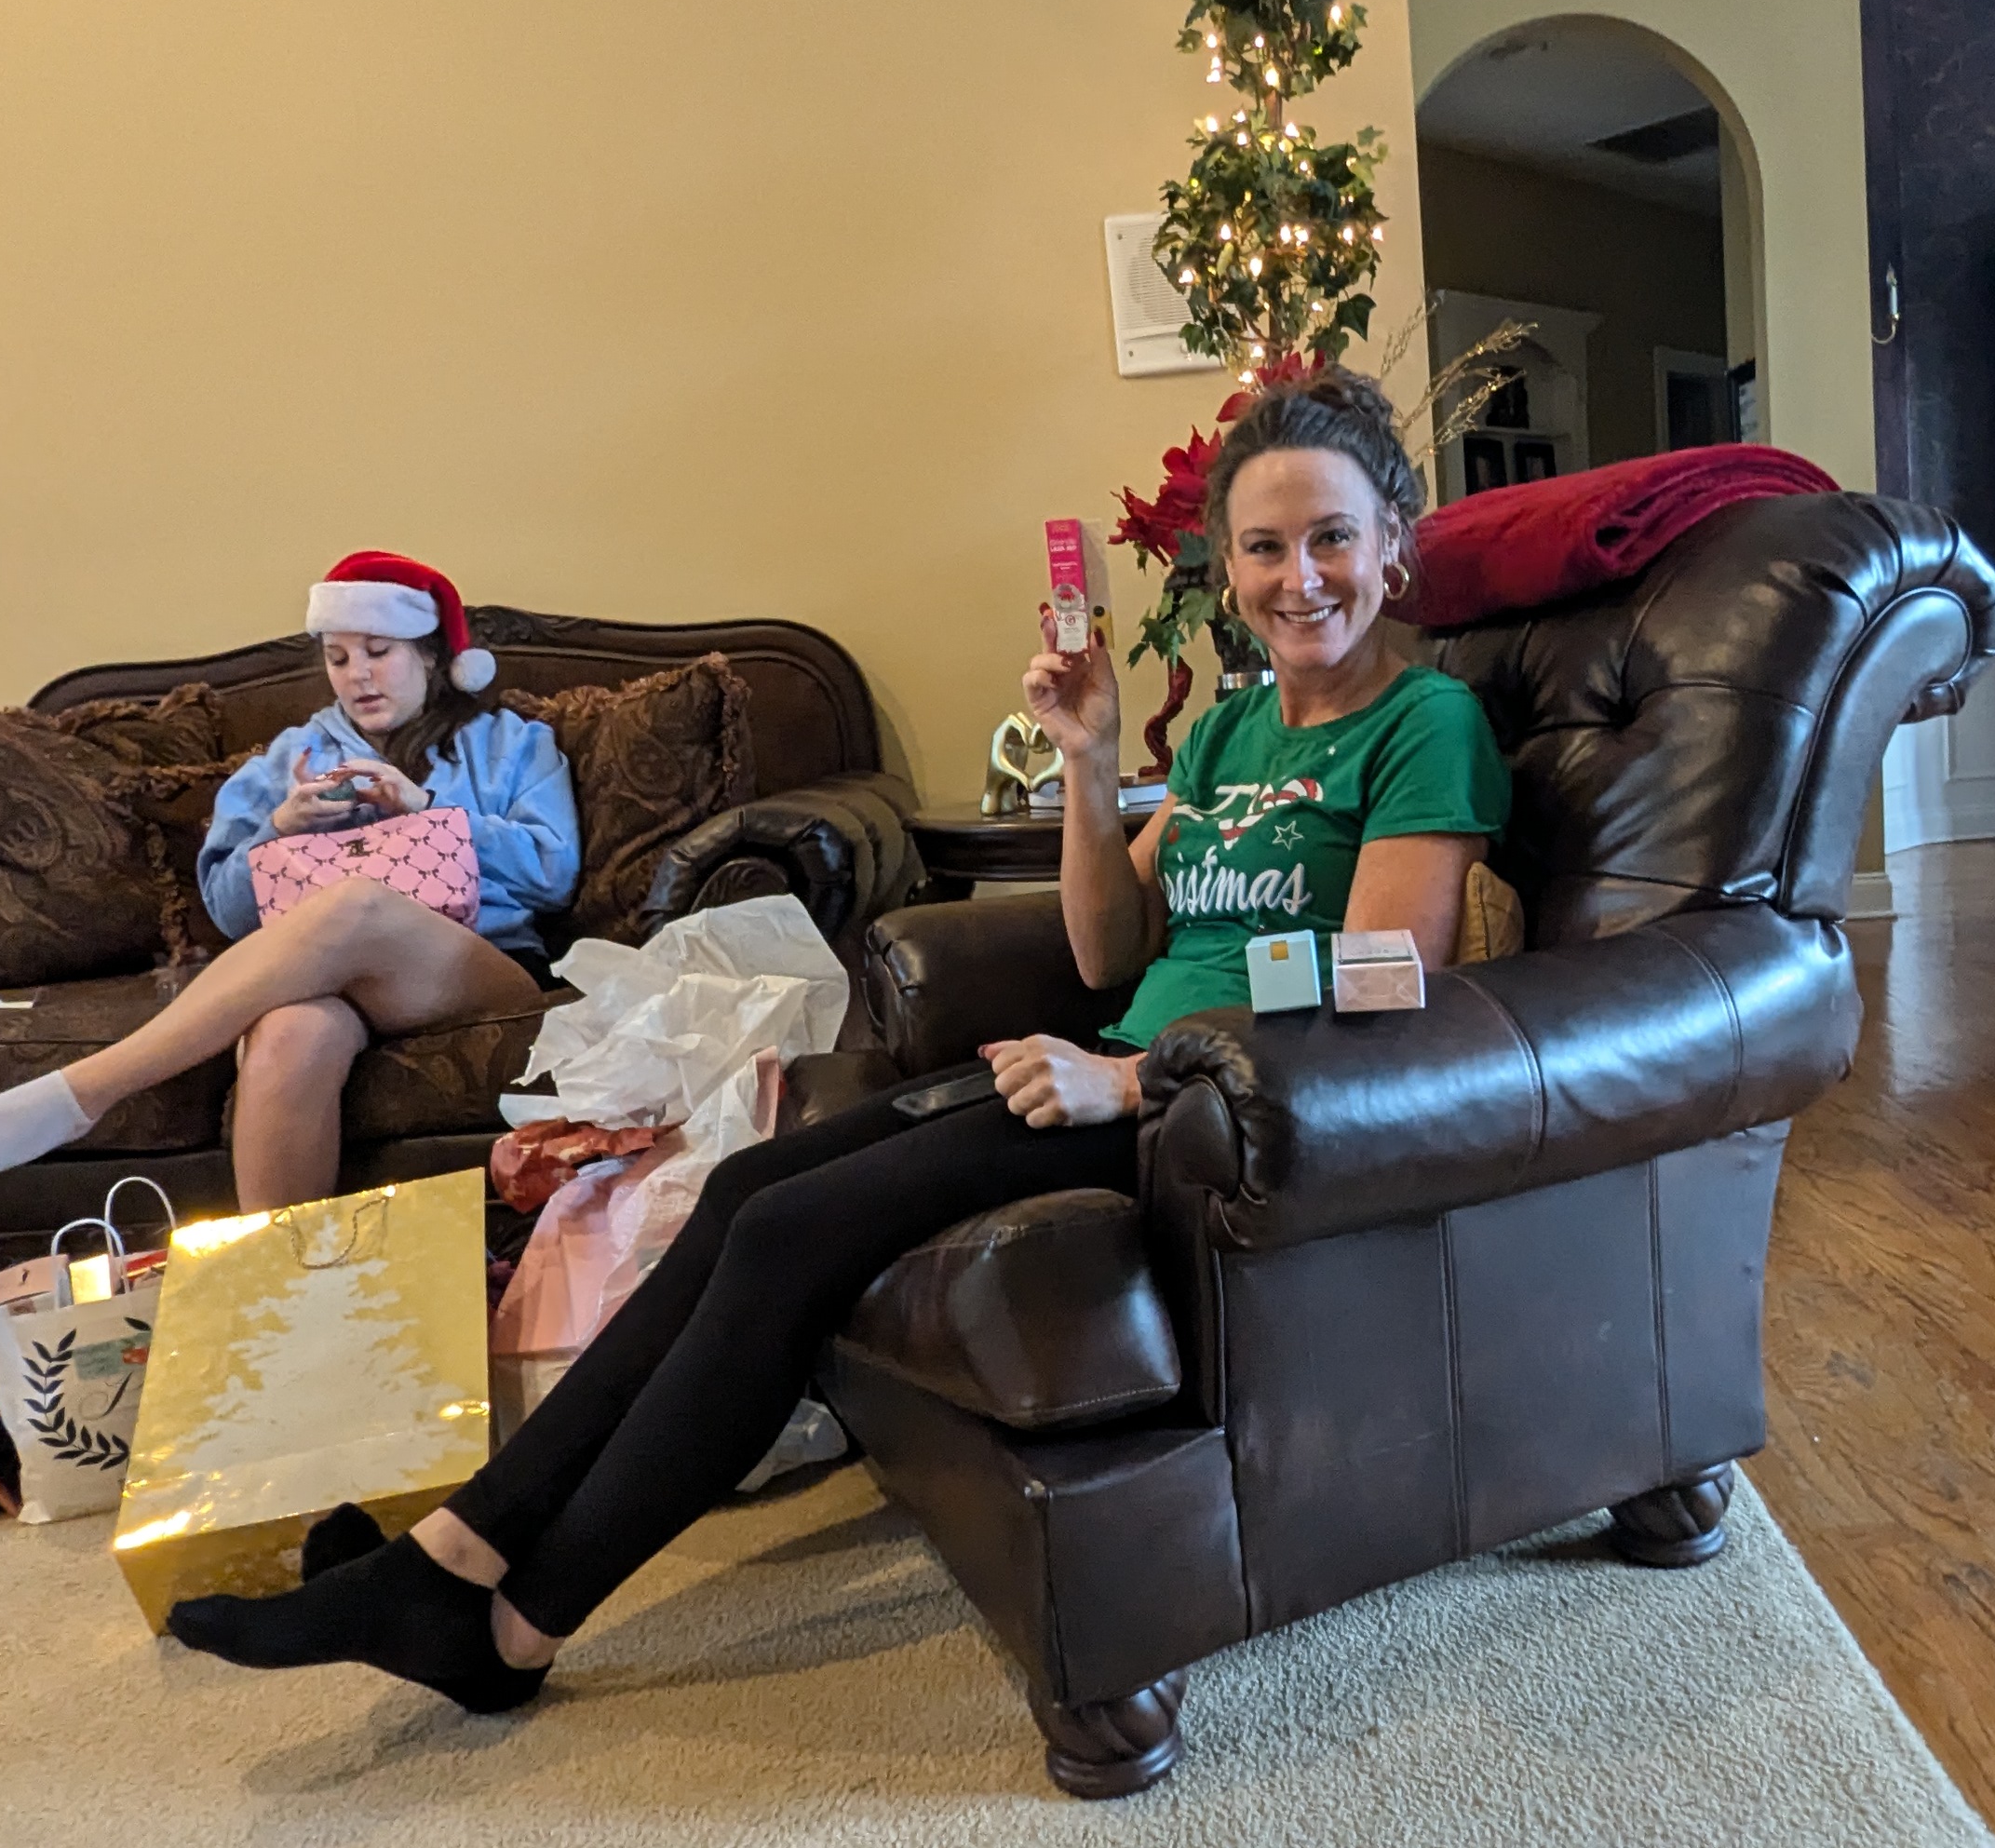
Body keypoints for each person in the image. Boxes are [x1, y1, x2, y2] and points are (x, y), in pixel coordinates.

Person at [166, 367, 1510, 1709]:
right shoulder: (1228, 730)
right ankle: (461, 1560)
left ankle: (510, 1622)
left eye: (1332, 538)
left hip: (1200, 1115)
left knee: (788, 1234)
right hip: (1112, 1071)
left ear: (1392, 539)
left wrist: (1131, 1075)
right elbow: (1109, 952)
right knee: (749, 1185)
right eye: (1266, 547)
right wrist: (1091, 764)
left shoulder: (1423, 723)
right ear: (1227, 564)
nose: (1300, 579)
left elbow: (1381, 983)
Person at [0, 550, 583, 1210]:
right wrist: (280, 828)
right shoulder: (287, 760)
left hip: (475, 967)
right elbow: (230, 914)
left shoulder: (512, 744)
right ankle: (283, 1278)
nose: (358, 676)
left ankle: (88, 1091)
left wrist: (425, 807)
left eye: (379, 651)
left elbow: (552, 875)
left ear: (431, 656)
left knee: (357, 904)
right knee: (288, 1032)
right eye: (338, 658)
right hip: (330, 986)